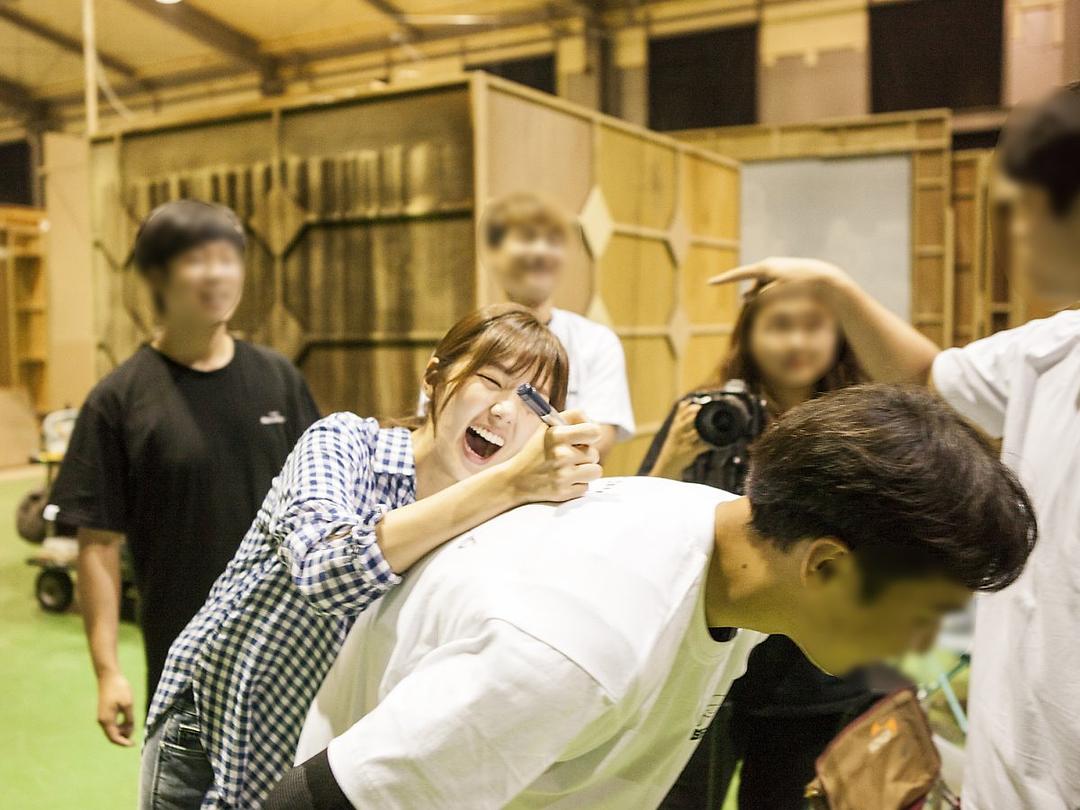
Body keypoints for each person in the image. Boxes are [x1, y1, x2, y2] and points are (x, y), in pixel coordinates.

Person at [274, 385, 1036, 810]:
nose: (923, 644)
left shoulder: (725, 547)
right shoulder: (571, 647)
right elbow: (314, 803)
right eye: (923, 615)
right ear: (828, 567)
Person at [708, 82, 1080, 810]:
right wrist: (835, 284)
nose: (1013, 228)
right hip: (1005, 769)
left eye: (1026, 203)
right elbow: (932, 378)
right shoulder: (1050, 349)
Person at [141, 303, 604, 809]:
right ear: (433, 377)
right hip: (215, 733)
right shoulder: (345, 442)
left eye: (531, 400)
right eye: (490, 381)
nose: (504, 411)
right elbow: (324, 571)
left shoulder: (506, 520)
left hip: (324, 764)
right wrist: (509, 483)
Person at [49, 199, 321, 748]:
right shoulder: (117, 401)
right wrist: (107, 671)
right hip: (186, 665)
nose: (218, 274)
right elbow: (98, 544)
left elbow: (322, 503)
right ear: (156, 276)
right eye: (197, 260)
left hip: (292, 655)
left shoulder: (279, 379)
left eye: (228, 257)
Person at [640, 282, 880, 810]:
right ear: (748, 336)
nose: (796, 342)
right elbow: (645, 522)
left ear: (838, 335)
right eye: (779, 326)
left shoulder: (860, 423)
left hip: (811, 676)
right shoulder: (710, 414)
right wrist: (672, 458)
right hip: (708, 666)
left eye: (813, 326)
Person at [420, 192, 635, 458]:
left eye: (553, 241)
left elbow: (598, 439)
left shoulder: (597, 342)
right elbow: (433, 423)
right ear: (495, 255)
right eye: (525, 239)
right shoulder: (469, 336)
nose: (540, 251)